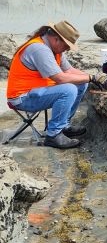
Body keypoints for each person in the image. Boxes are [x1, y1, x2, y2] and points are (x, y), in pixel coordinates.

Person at [6, 21, 92, 149]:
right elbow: (60, 78)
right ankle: (53, 135)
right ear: (56, 39)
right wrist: (91, 78)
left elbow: (69, 71)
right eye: (67, 45)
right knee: (68, 90)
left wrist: (93, 78)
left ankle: (64, 125)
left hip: (37, 92)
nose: (68, 49)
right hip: (22, 98)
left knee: (81, 83)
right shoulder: (39, 49)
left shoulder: (54, 49)